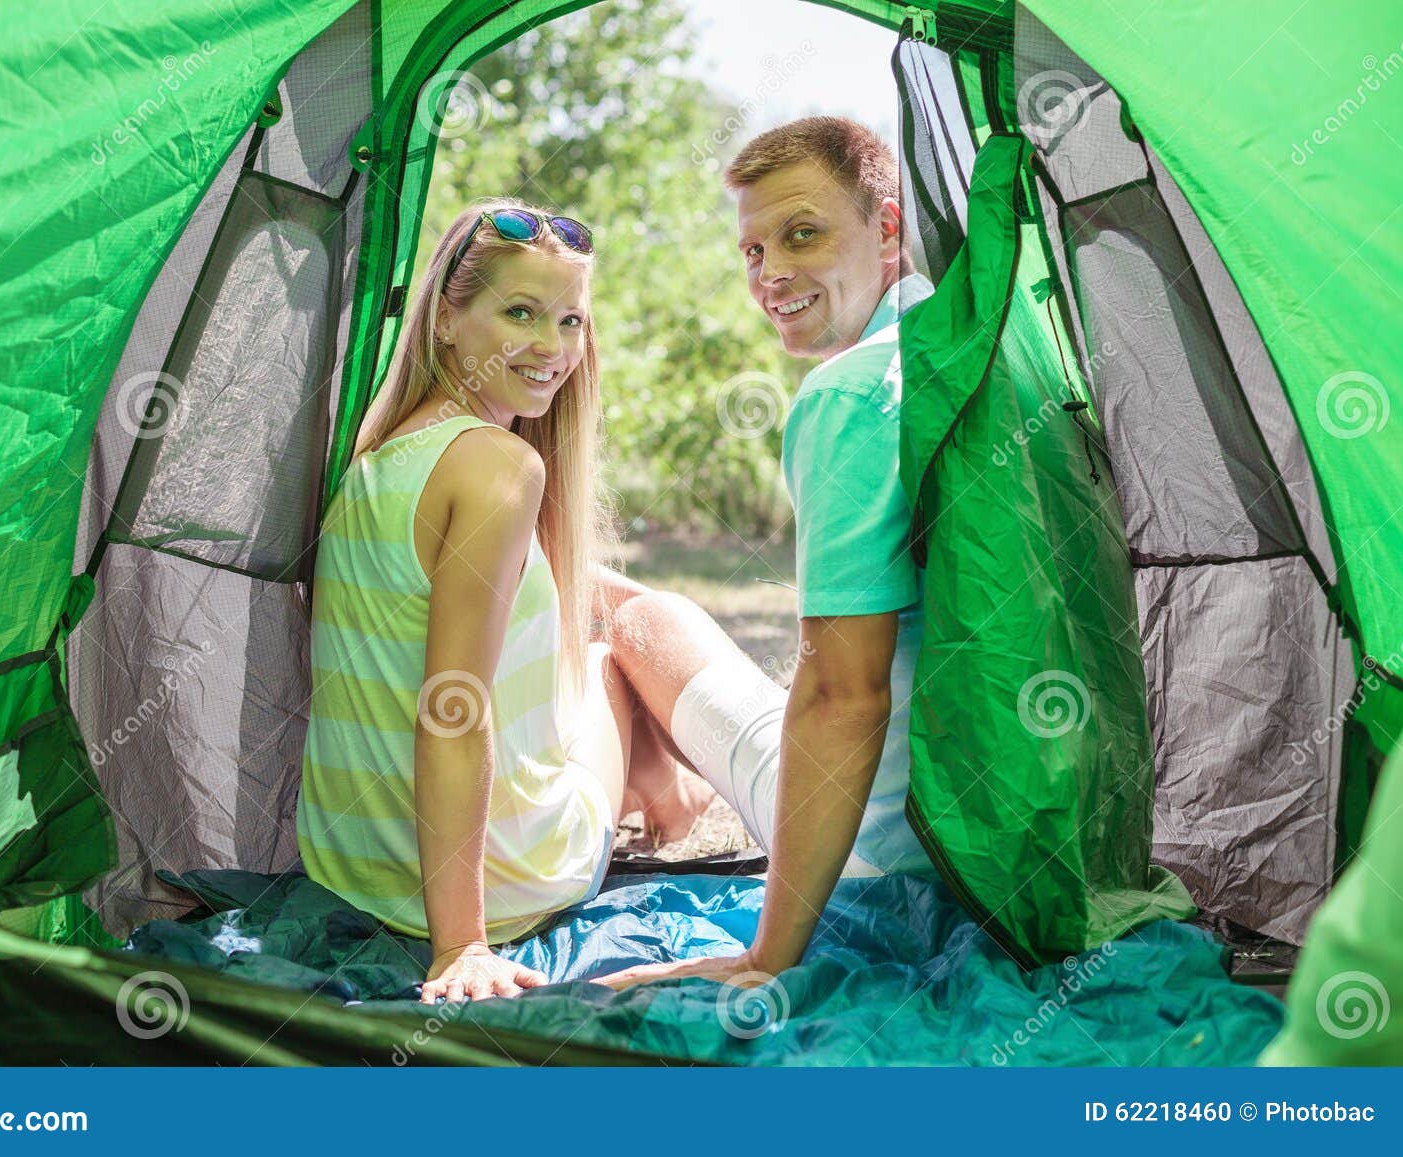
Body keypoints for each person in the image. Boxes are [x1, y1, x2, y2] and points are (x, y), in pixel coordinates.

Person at [296, 200, 721, 1003]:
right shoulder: (499, 467)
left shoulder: (377, 458)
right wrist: (462, 945)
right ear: (446, 321)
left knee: (619, 612)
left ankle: (662, 783)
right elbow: (450, 712)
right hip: (505, 877)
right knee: (626, 641)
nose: (553, 348)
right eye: (519, 312)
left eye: (569, 321)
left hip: (354, 866)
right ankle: (679, 790)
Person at [597, 116, 936, 990]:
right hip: (1013, 841)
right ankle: (660, 779)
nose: (772, 274)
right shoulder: (977, 345)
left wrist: (766, 958)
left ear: (888, 226)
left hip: (887, 864)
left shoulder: (852, 393)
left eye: (803, 233)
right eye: (752, 252)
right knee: (642, 617)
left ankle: (665, 791)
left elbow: (842, 696)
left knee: (642, 621)